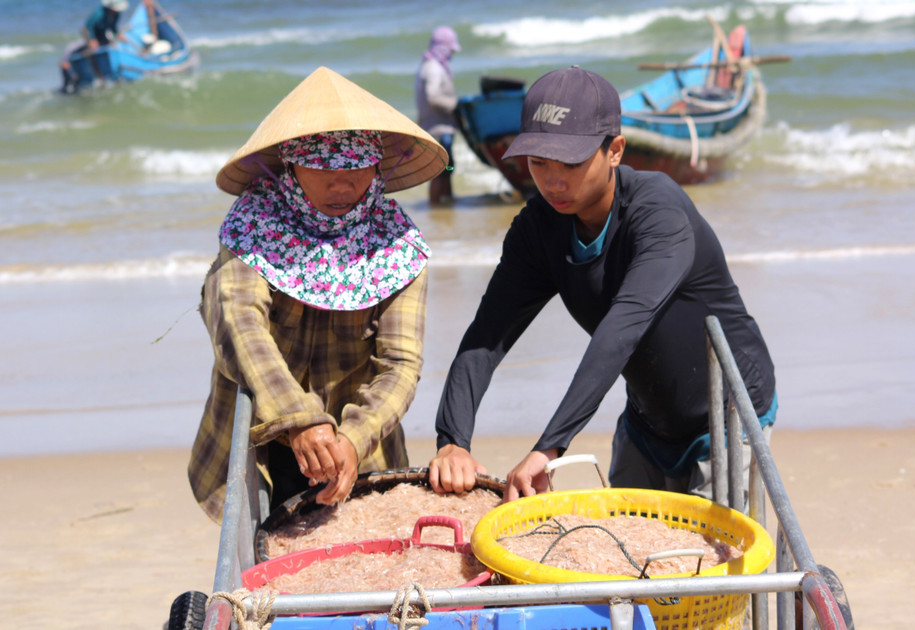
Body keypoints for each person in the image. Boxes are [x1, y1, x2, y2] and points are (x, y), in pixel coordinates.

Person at [428, 66, 776, 504]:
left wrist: (548, 448)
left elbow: (622, 330)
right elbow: (487, 336)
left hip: (729, 417)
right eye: (538, 162)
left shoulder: (659, 213)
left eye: (570, 163)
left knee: (712, 566)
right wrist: (452, 440)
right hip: (647, 421)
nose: (553, 181)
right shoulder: (539, 228)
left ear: (614, 150)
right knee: (626, 557)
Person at [188, 66, 449, 522]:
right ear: (289, 165)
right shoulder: (252, 227)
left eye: (355, 169)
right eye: (322, 169)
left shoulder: (398, 246)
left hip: (360, 450)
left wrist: (353, 436)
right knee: (260, 555)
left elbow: (401, 364)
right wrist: (299, 420)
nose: (342, 186)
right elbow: (238, 323)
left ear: (377, 166)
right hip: (261, 441)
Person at [415, 25, 461, 205]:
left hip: (438, 129)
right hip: (437, 130)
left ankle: (448, 203)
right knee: (440, 171)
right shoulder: (433, 68)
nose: (452, 54)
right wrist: (456, 106)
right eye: (450, 49)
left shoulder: (428, 65)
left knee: (448, 168)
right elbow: (433, 97)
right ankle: (436, 207)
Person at [59, 0, 139, 93]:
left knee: (114, 47)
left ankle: (112, 74)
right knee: (71, 50)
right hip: (91, 39)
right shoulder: (99, 13)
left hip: (102, 39)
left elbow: (112, 29)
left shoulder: (116, 15)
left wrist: (118, 35)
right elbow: (87, 27)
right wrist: (92, 39)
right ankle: (68, 65)